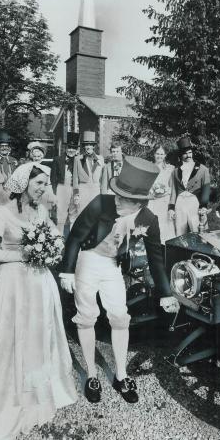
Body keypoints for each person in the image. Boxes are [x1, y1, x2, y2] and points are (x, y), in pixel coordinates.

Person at [0, 162, 77, 440]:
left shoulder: (41, 211)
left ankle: (36, 391)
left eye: (45, 184)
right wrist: (23, 255)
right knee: (11, 337)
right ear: (24, 183)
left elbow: (56, 237)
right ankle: (8, 395)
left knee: (39, 334)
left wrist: (52, 249)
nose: (44, 189)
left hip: (39, 283)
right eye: (39, 184)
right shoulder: (3, 212)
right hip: (13, 283)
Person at [59, 156, 179, 405]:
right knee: (87, 316)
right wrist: (67, 270)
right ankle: (92, 374)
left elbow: (157, 260)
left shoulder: (149, 220)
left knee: (119, 316)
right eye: (118, 194)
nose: (118, 200)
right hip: (88, 260)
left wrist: (166, 292)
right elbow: (75, 237)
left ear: (140, 203)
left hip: (113, 267)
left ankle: (121, 375)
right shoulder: (101, 204)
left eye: (125, 198)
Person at [168, 137, 211, 236]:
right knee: (180, 232)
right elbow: (174, 191)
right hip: (180, 203)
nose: (188, 156)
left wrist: (203, 206)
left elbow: (206, 189)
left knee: (198, 230)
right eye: (185, 153)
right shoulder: (175, 171)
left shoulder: (202, 169)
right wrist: (171, 207)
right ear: (181, 155)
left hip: (194, 202)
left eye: (190, 153)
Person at [51, 132, 80, 235]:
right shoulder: (58, 160)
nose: (71, 150)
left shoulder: (79, 161)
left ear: (77, 150)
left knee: (74, 214)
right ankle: (58, 240)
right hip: (62, 189)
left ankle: (73, 239)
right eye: (69, 147)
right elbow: (53, 179)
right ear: (65, 148)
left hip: (75, 189)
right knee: (61, 215)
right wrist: (54, 194)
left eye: (74, 147)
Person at [148, 144, 175, 244]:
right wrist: (152, 192)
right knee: (153, 224)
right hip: (153, 200)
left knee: (164, 225)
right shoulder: (149, 167)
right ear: (154, 154)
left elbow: (172, 187)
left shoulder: (170, 169)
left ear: (165, 155)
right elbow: (147, 184)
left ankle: (165, 246)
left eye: (161, 154)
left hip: (164, 201)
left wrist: (164, 192)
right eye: (157, 153)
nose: (159, 156)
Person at [73, 131, 104, 218]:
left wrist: (103, 192)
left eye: (90, 144)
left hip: (96, 189)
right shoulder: (78, 159)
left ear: (93, 146)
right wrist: (76, 194)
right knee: (82, 213)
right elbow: (75, 178)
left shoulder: (100, 158)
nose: (88, 147)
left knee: (95, 214)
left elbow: (103, 177)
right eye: (86, 145)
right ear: (83, 147)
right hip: (83, 189)